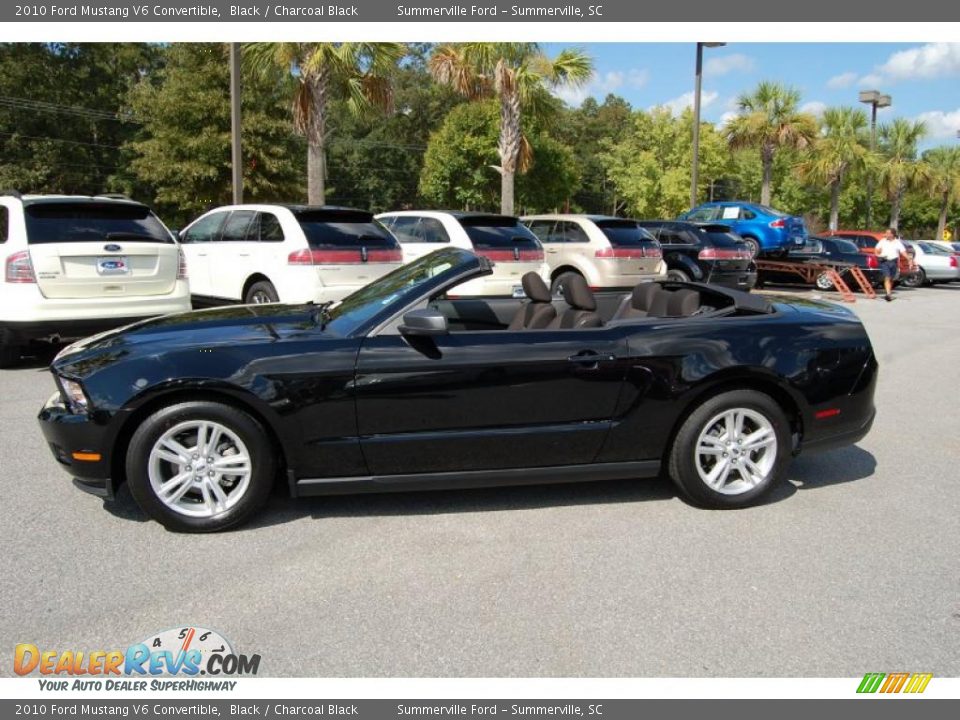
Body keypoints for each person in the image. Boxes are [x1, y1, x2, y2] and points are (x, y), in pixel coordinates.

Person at [874, 228, 909, 301]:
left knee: (891, 279)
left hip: (894, 262)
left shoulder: (897, 242)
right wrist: (878, 254)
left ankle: (889, 292)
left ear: (892, 234)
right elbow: (876, 249)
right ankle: (888, 294)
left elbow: (903, 252)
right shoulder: (882, 241)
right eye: (885, 233)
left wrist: (909, 259)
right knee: (887, 277)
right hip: (884, 261)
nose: (885, 234)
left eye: (887, 233)